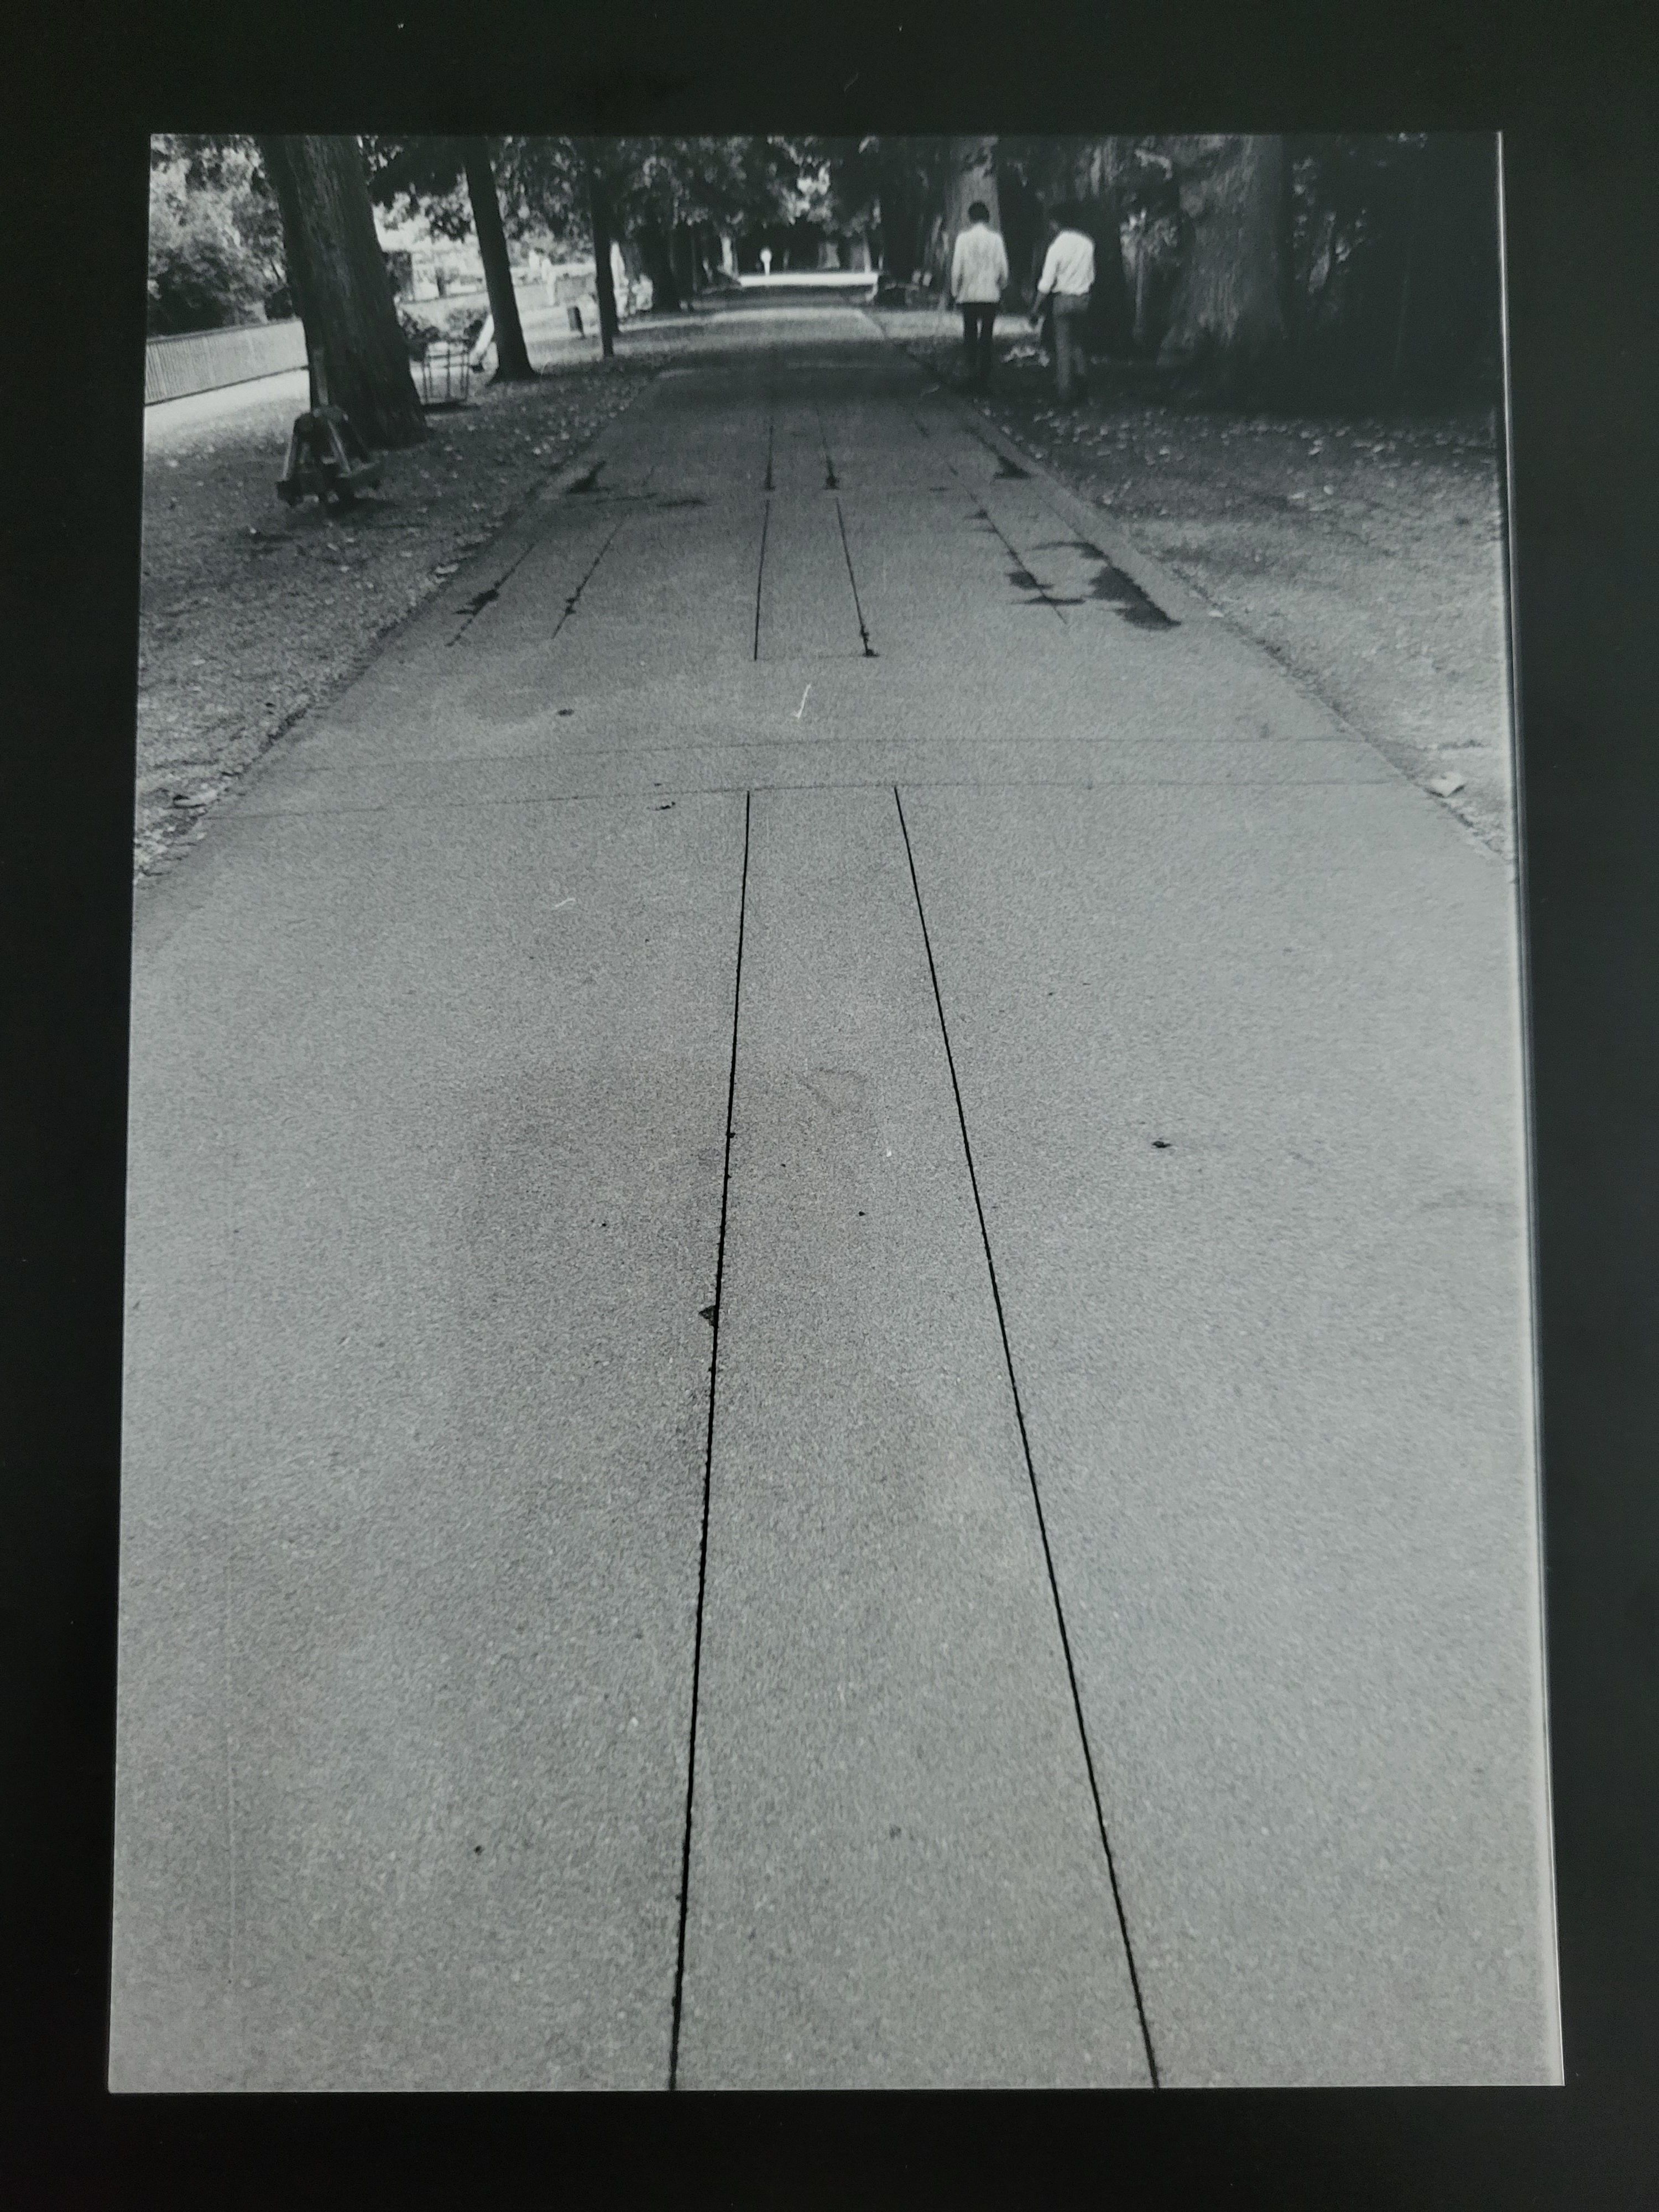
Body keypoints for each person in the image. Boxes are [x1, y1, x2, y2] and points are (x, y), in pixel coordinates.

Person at [1031, 206, 1095, 405]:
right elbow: (1091, 275)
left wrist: (1035, 307)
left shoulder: (1056, 247)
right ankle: (1083, 383)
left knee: (1063, 346)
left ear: (1056, 223)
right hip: (1083, 299)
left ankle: (1065, 392)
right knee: (1078, 343)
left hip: (1063, 299)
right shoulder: (1087, 244)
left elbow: (1047, 282)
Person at [948, 199, 1009, 392]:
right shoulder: (996, 239)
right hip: (990, 294)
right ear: (988, 218)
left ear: (970, 218)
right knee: (987, 335)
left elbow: (957, 269)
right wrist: (1001, 286)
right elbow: (1003, 268)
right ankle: (985, 376)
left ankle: (971, 371)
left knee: (970, 333)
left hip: (969, 293)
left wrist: (955, 291)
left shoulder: (963, 239)